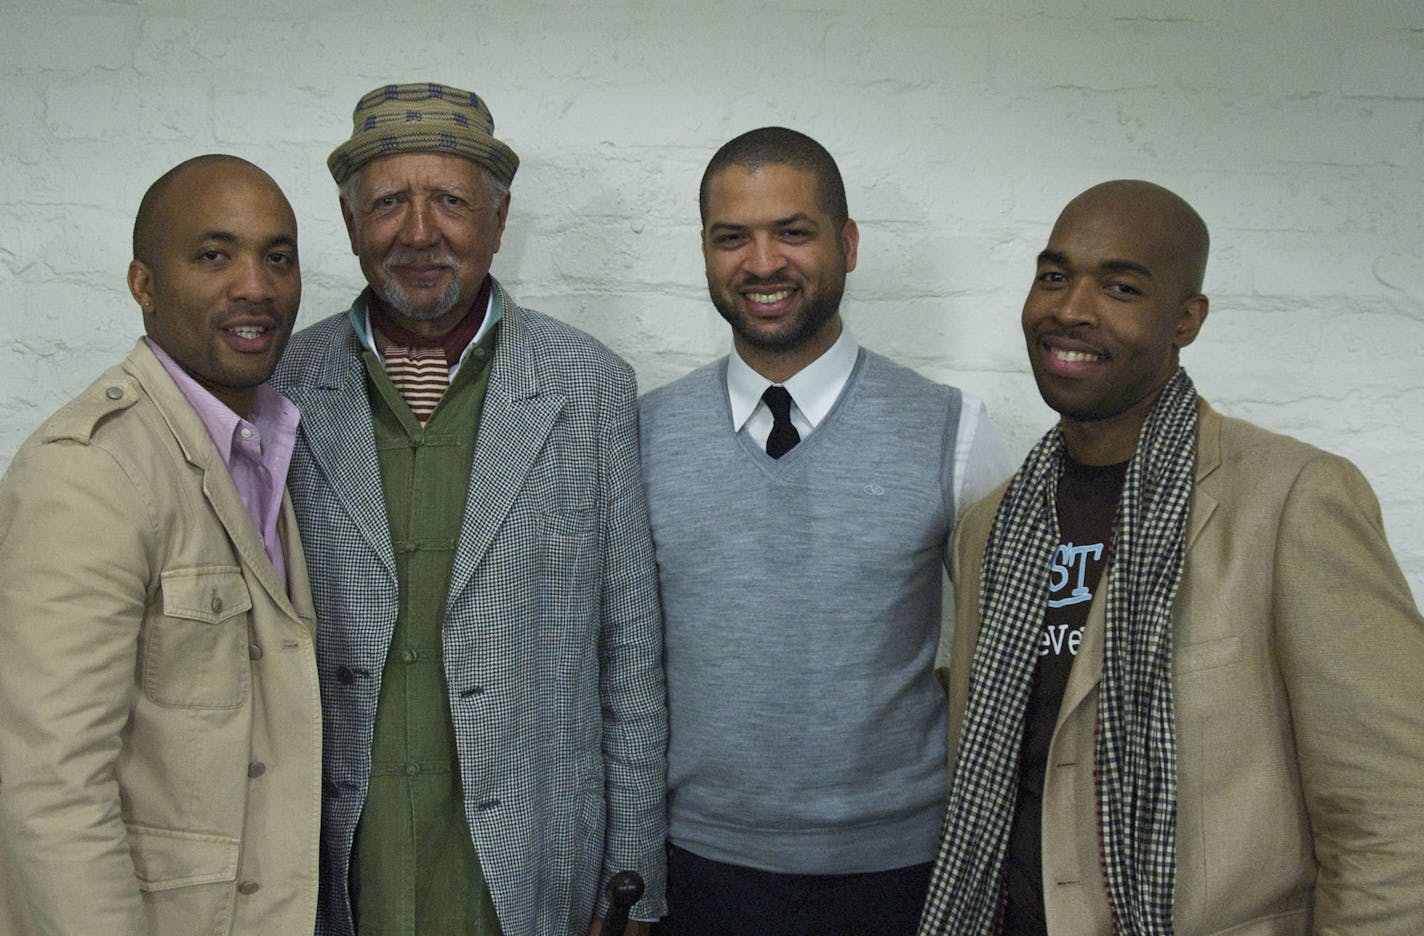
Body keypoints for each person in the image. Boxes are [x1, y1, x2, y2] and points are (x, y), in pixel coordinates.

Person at [918, 180, 1424, 935]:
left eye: (1120, 287)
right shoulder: (991, 527)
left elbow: (1393, 812)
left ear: (1186, 320)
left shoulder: (1293, 501)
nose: (1071, 309)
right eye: (1053, 276)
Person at [270, 82, 666, 936]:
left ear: (499, 217)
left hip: (527, 872)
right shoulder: (282, 391)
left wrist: (637, 873)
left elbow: (629, 649)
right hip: (337, 873)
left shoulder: (587, 386)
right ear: (348, 225)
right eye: (387, 203)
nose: (419, 232)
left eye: (449, 200)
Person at [639, 127, 1010, 934]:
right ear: (704, 251)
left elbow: (1007, 664)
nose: (763, 263)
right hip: (697, 872)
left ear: (846, 244)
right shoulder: (642, 435)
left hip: (901, 871)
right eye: (732, 237)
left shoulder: (952, 429)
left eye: (793, 232)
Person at [0, 155, 318, 934]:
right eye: (214, 256)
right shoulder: (91, 472)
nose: (256, 284)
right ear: (143, 284)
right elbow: (47, 786)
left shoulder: (263, 447)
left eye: (277, 257)